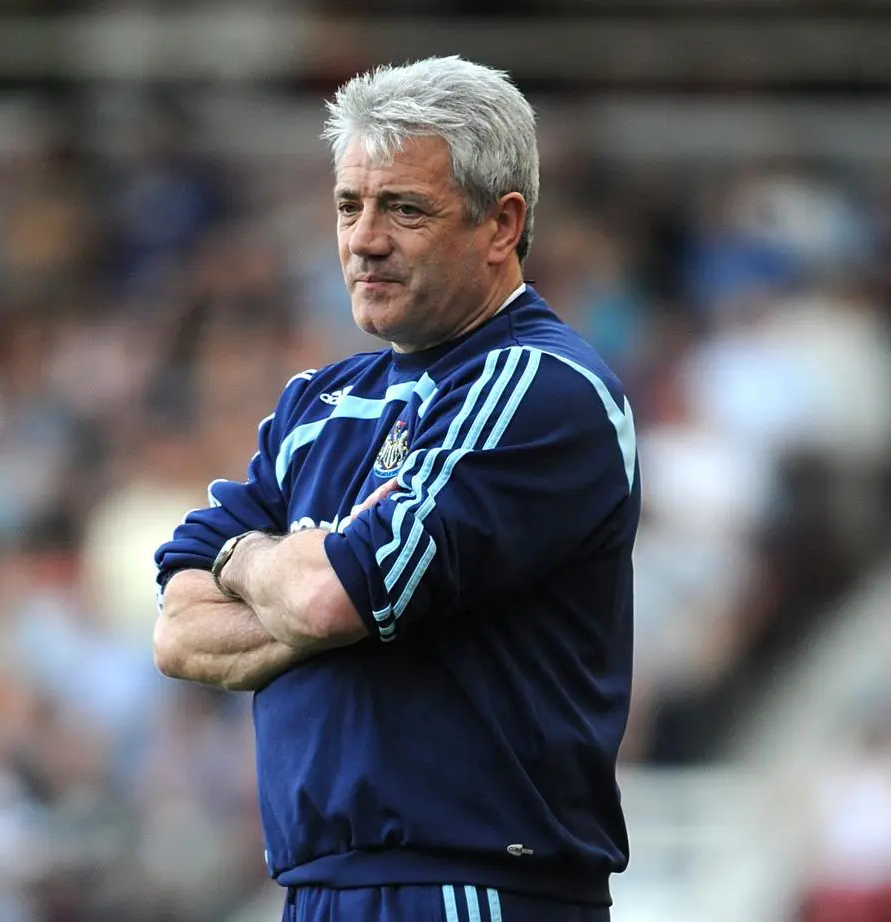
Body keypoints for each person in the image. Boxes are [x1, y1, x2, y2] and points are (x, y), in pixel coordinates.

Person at [153, 55, 639, 922]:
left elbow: (330, 600)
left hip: (474, 886)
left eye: (404, 209)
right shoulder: (316, 404)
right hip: (319, 889)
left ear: (502, 224)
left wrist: (256, 564)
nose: (364, 239)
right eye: (349, 206)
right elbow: (179, 633)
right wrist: (294, 578)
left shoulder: (538, 386)